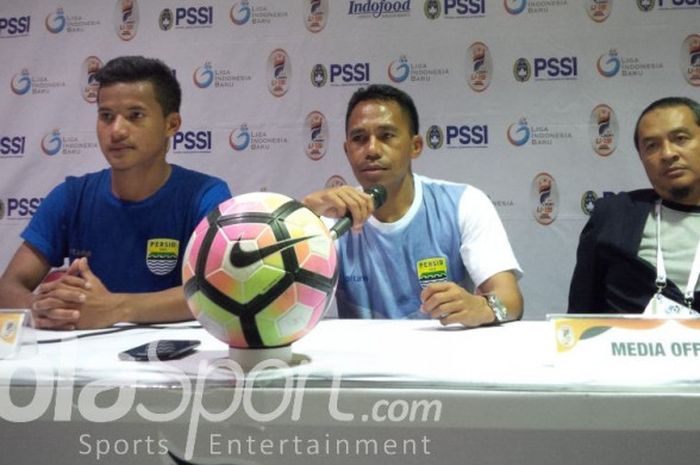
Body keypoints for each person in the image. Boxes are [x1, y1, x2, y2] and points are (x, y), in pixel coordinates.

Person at [0, 56, 231, 330]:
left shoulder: (205, 195)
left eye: (135, 115)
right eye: (106, 116)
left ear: (171, 125)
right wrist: (41, 309)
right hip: (84, 365)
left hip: (172, 367)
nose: (117, 130)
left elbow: (220, 288)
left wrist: (117, 308)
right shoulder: (71, 195)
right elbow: (9, 286)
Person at [303, 84, 523, 327]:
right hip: (361, 364)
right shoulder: (331, 219)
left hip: (444, 361)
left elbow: (511, 301)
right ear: (347, 150)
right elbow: (279, 302)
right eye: (359, 139)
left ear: (415, 146)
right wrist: (304, 214)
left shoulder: (464, 203)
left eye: (386, 136)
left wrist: (482, 307)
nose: (372, 150)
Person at [568, 96, 700, 315]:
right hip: (628, 346)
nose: (668, 154)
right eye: (652, 146)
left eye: (680, 138)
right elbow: (581, 312)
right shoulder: (614, 216)